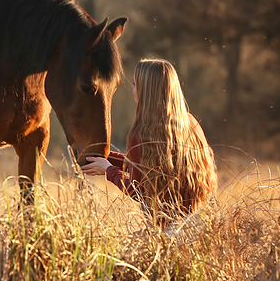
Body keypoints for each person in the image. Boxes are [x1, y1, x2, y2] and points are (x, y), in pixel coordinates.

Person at [81, 58, 217, 225]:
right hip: (200, 222)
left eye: (134, 84)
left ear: (146, 90)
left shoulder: (140, 134)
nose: (132, 89)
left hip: (165, 232)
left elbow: (139, 191)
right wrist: (106, 157)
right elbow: (149, 169)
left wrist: (109, 171)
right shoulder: (190, 123)